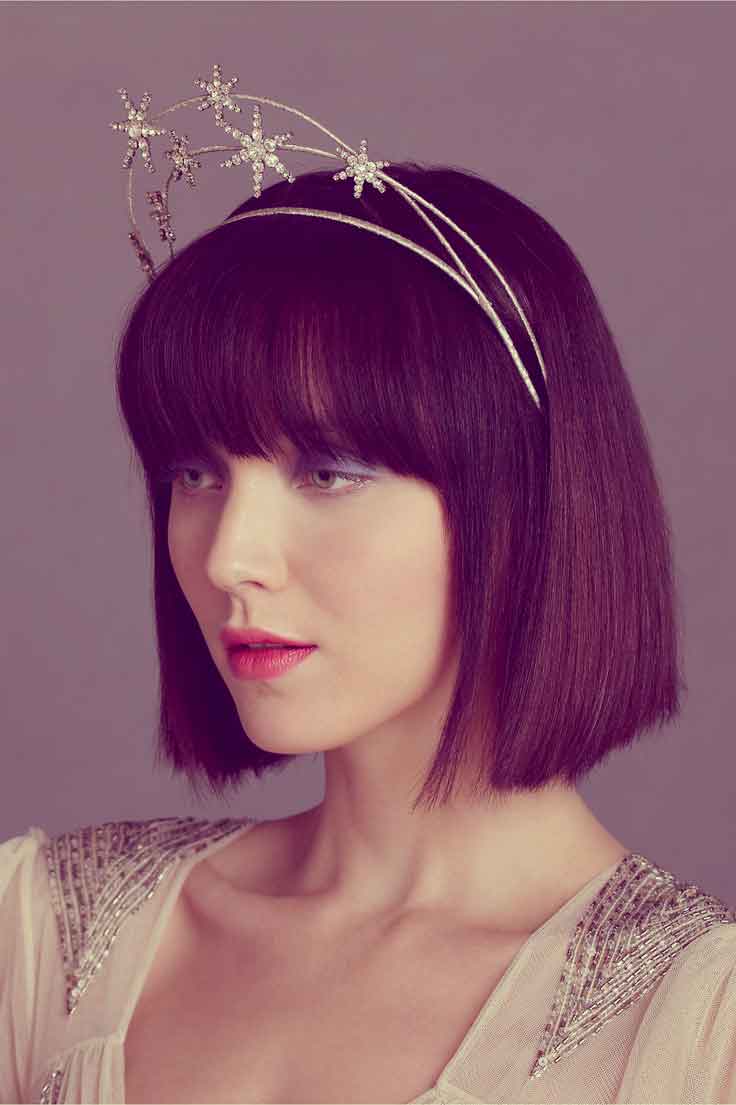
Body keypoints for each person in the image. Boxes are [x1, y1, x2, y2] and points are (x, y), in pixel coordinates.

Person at [2, 88, 735, 1104]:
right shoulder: (39, 937)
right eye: (195, 472)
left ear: (522, 502)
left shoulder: (697, 1029)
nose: (227, 558)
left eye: (327, 472)